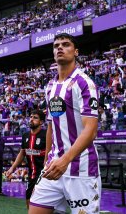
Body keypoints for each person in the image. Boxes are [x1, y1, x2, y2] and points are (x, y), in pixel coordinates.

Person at [29, 33, 101, 214]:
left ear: (76, 51)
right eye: (56, 46)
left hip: (81, 170)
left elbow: (91, 130)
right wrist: (47, 160)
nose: (60, 48)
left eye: (66, 44)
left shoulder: (84, 83)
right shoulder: (50, 87)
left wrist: (65, 161)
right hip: (53, 167)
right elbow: (52, 125)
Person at [6, 110, 47, 209]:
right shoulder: (25, 135)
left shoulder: (46, 135)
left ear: (41, 122)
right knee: (29, 200)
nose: (31, 119)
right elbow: (22, 153)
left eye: (35, 118)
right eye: (31, 117)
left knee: (40, 202)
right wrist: (12, 168)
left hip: (44, 174)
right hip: (31, 174)